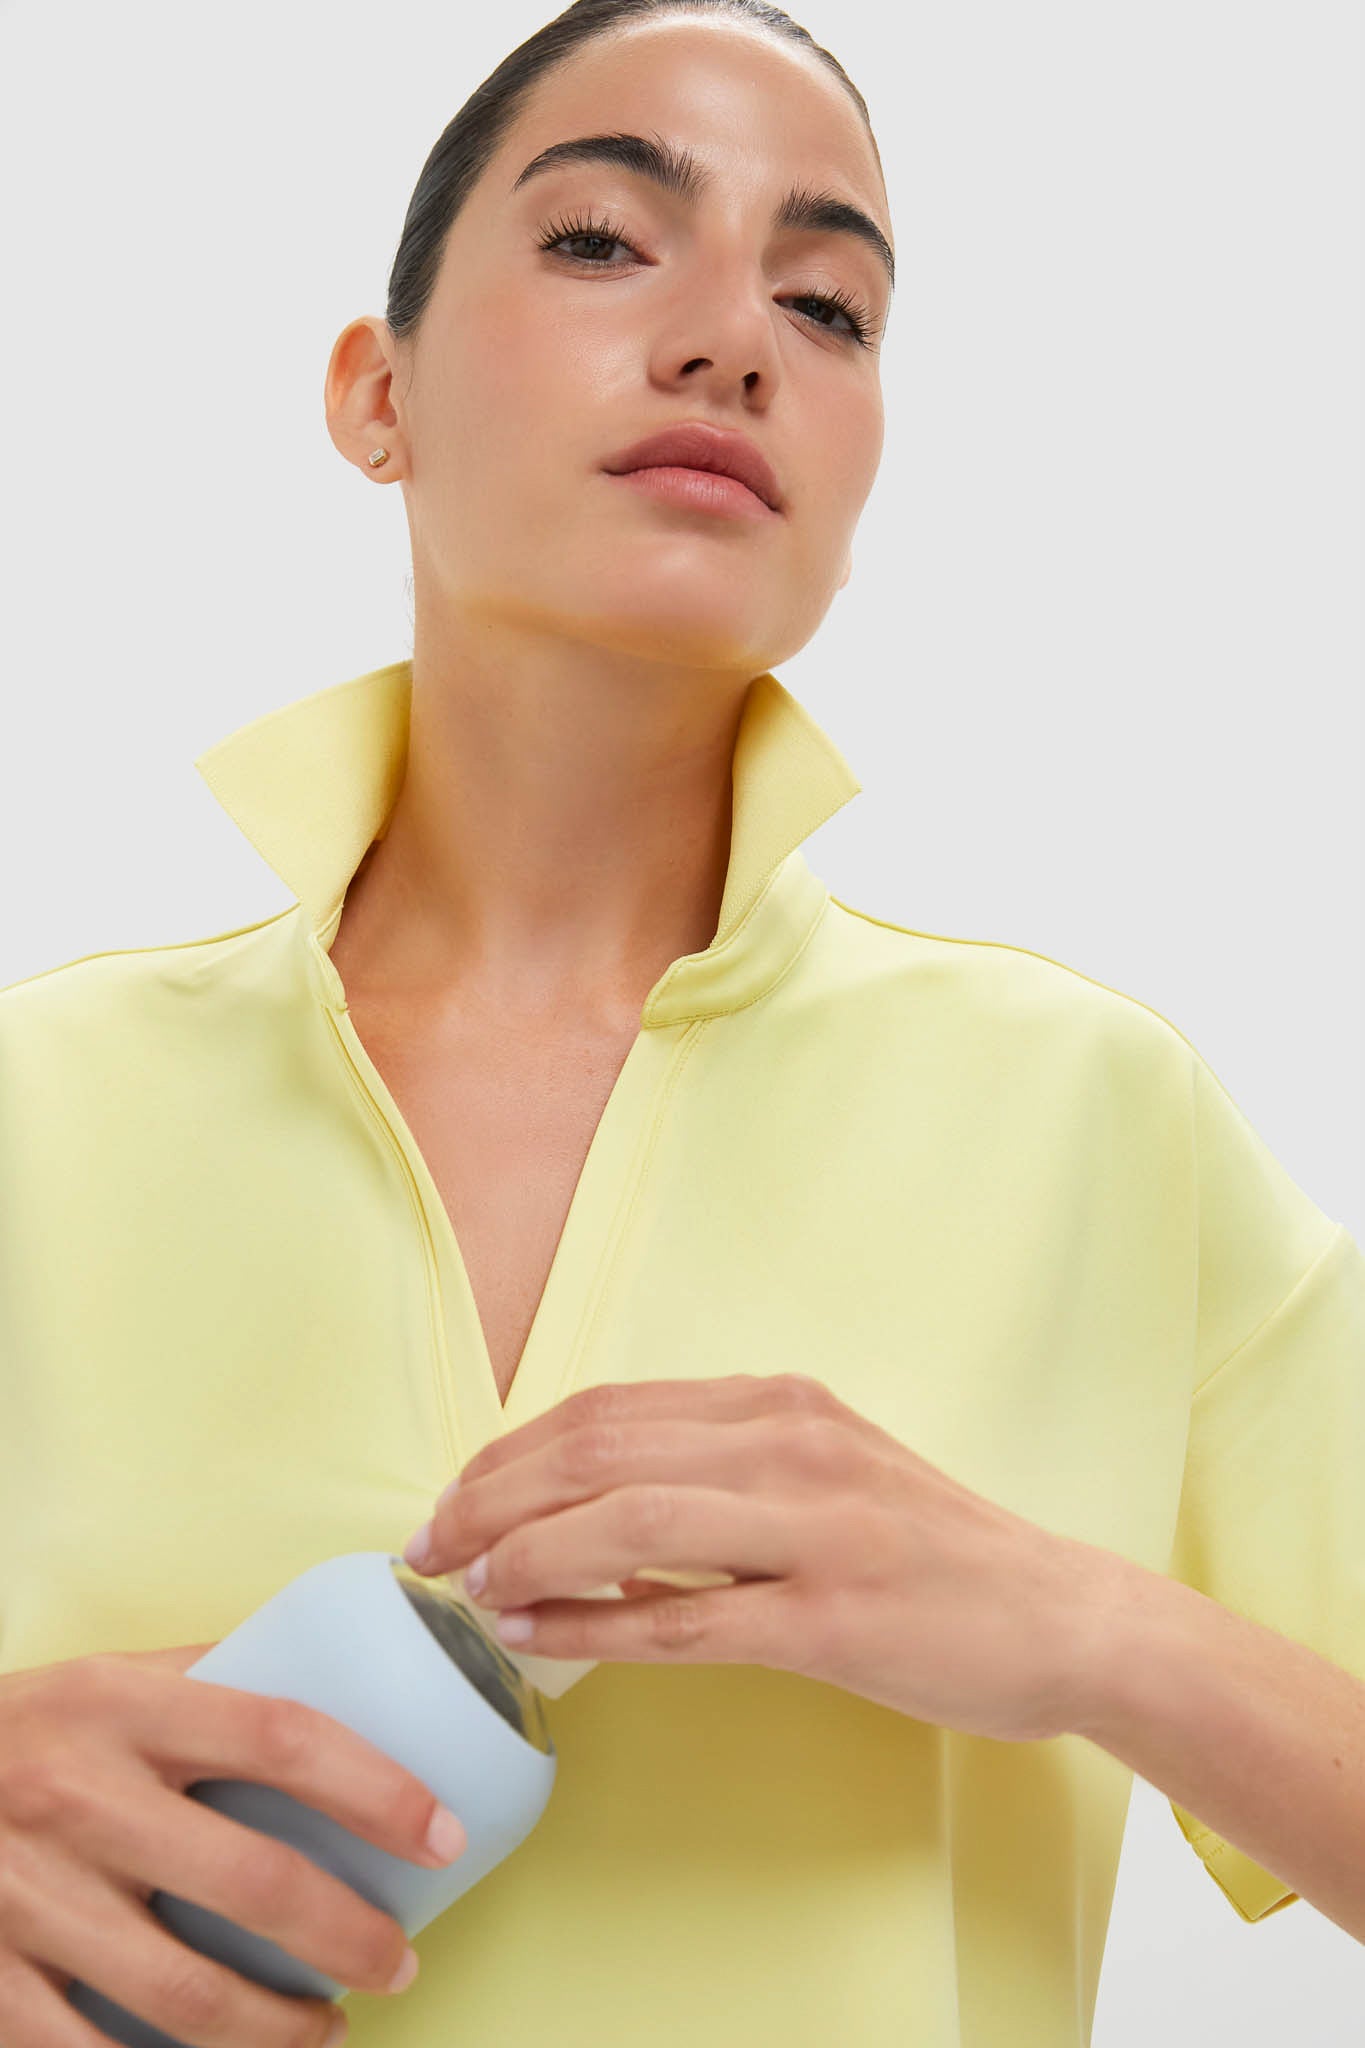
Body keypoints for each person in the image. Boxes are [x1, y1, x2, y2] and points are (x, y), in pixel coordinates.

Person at [1, 3, 1362, 2045]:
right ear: (376, 393)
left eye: (827, 307)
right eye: (600, 242)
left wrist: (1089, 1628)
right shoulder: (34, 1113)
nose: (734, 341)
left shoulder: (1101, 1121)